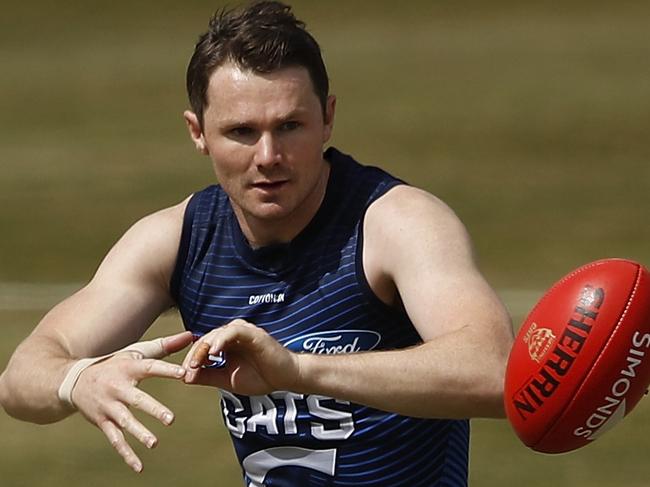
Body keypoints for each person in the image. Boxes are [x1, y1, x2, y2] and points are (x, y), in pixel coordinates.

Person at [0, 1, 513, 485]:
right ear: (197, 132)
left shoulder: (394, 223)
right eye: (242, 131)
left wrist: (298, 370)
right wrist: (77, 381)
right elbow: (22, 377)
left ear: (328, 117)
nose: (269, 155)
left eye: (290, 126)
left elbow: (494, 371)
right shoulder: (180, 240)